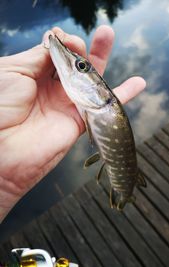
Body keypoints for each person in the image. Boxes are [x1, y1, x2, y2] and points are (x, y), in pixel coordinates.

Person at [0, 26, 146, 222]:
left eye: (82, 67)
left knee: (122, 179)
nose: (77, 66)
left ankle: (126, 195)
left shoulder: (102, 108)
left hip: (122, 167)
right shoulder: (98, 108)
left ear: (101, 93)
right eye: (82, 66)